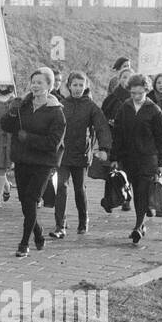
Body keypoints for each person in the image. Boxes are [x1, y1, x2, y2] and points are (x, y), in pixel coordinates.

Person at [1, 67, 66, 258]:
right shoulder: (23, 105)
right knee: (24, 202)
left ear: (49, 86)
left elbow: (53, 143)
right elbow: (6, 126)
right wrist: (12, 112)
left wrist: (27, 137)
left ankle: (24, 243)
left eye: (40, 82)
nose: (35, 86)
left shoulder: (56, 112)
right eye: (33, 82)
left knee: (32, 199)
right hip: (22, 160)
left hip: (43, 163)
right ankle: (38, 233)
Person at [109, 73, 162, 245]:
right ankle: (141, 223)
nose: (136, 96)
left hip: (148, 158)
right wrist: (114, 157)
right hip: (129, 158)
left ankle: (138, 226)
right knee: (135, 191)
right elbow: (118, 135)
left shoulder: (154, 110)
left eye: (140, 93)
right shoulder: (124, 108)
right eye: (133, 93)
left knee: (143, 190)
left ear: (146, 91)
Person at [51, 71, 110, 239]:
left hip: (82, 154)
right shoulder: (62, 104)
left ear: (85, 87)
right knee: (61, 186)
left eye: (80, 85)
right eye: (74, 85)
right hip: (63, 153)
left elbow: (101, 127)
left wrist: (104, 148)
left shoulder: (91, 106)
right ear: (69, 86)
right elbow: (53, 126)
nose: (77, 88)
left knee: (79, 188)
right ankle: (60, 225)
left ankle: (83, 220)